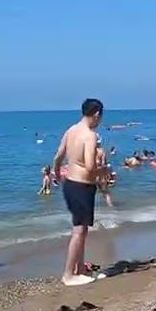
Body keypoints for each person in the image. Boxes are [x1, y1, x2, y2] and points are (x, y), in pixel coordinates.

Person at [52, 98, 103, 286]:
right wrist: (103, 171)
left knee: (82, 229)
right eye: (100, 117)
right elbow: (90, 166)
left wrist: (57, 173)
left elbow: (58, 156)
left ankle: (80, 268)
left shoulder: (71, 130)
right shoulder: (90, 136)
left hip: (70, 184)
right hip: (82, 185)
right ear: (96, 114)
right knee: (79, 230)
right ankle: (68, 274)